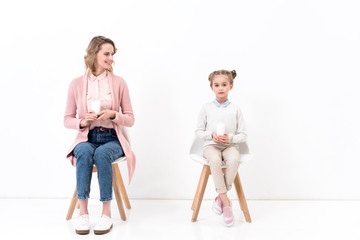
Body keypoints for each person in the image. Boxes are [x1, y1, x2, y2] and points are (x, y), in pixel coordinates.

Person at [64, 36, 136, 235]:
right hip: (86, 137)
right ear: (94, 54)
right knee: (85, 153)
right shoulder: (76, 83)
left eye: (112, 54)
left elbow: (130, 119)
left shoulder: (119, 82)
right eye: (106, 53)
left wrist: (114, 114)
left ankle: (106, 213)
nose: (111, 58)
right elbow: (67, 119)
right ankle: (84, 214)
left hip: (112, 138)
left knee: (102, 154)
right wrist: (82, 122)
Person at [195, 69, 248, 227]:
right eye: (217, 85)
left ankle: (219, 196)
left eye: (224, 84)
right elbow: (198, 132)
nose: (220, 88)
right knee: (215, 160)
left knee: (234, 159)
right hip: (211, 145)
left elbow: (243, 135)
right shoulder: (206, 108)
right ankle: (226, 202)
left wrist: (230, 137)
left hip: (229, 145)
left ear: (231, 86)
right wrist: (211, 135)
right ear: (212, 87)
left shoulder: (236, 109)